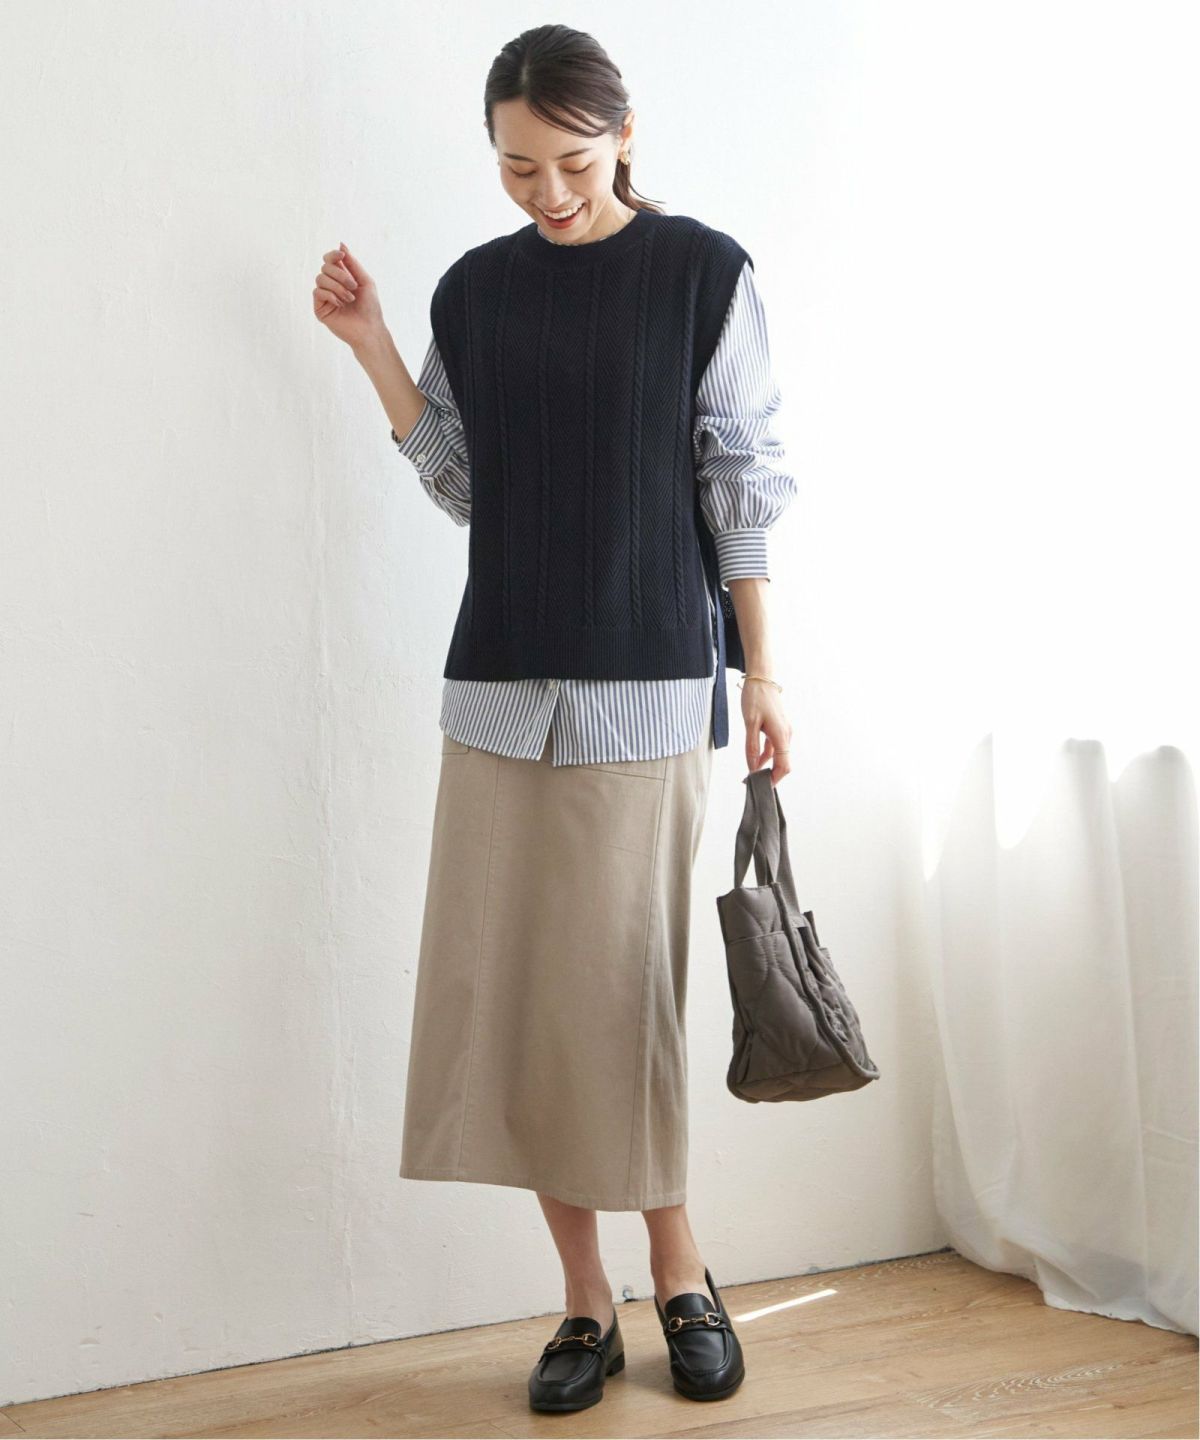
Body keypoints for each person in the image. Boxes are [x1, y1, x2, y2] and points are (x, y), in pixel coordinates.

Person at [313, 22, 796, 1414]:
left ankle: (681, 1271)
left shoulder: (703, 275)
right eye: (519, 168)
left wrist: (764, 673)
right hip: (499, 692)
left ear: (624, 135)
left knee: (626, 1003)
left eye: (573, 163)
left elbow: (741, 483)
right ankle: (586, 1301)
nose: (549, 193)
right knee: (523, 1000)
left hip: (648, 689)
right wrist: (372, 346)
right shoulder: (476, 290)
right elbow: (468, 485)